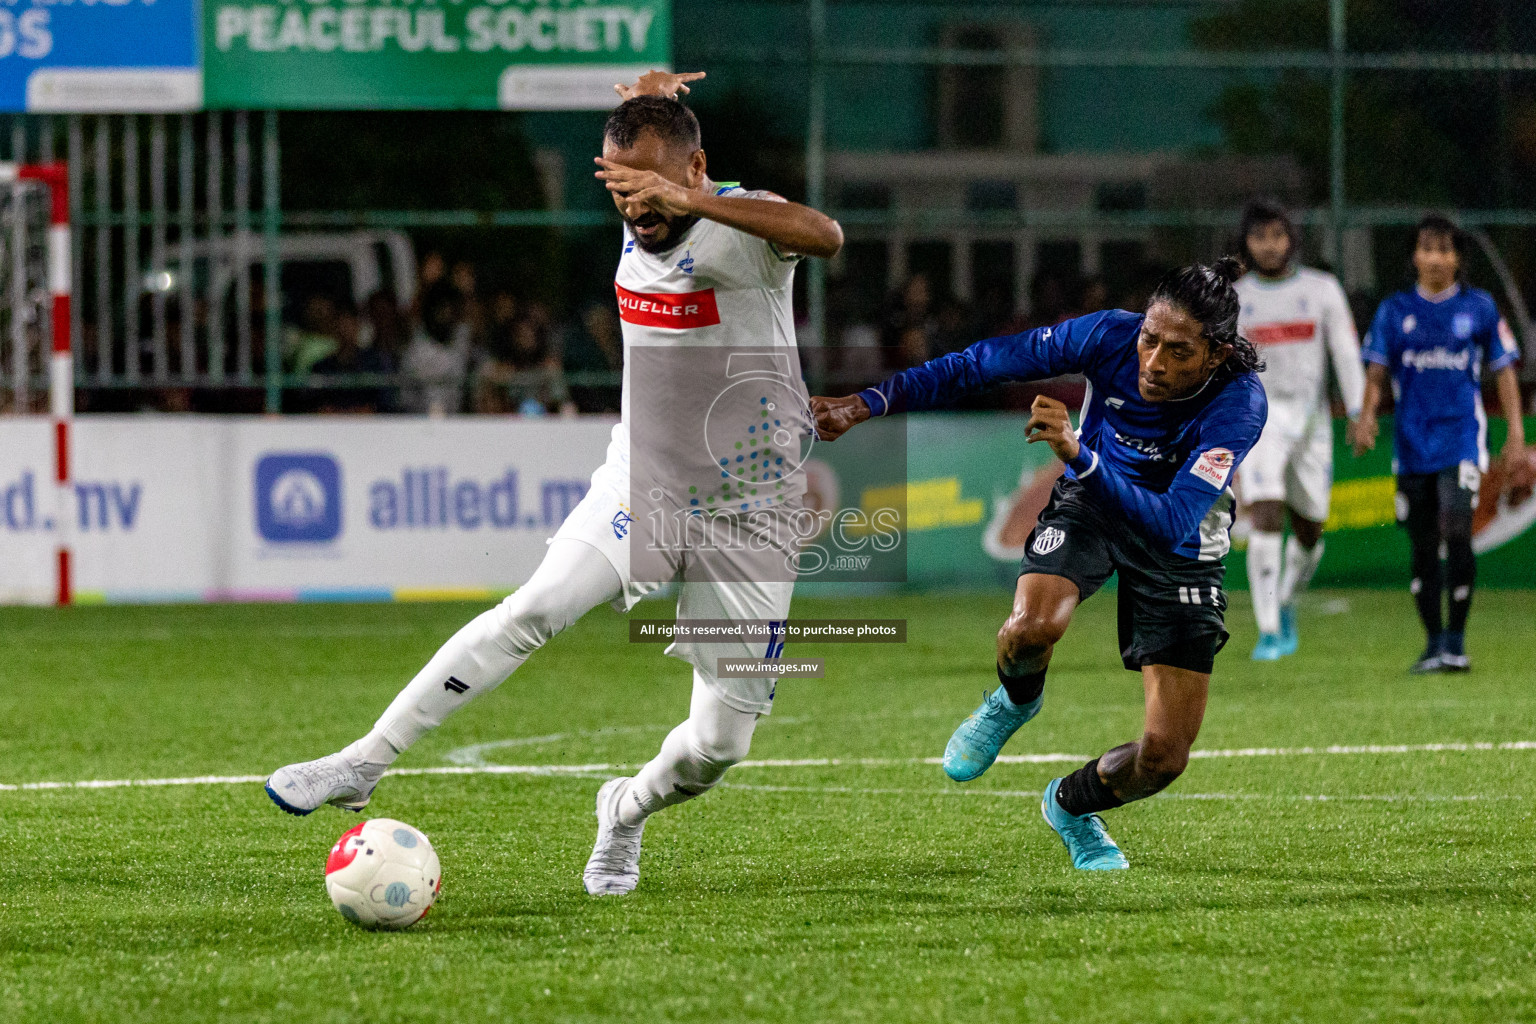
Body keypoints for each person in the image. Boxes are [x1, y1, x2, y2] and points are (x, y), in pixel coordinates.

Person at [264, 70, 844, 896]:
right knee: (533, 608)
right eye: (620, 193)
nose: (636, 214)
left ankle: (626, 811)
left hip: (749, 512)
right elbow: (646, 166)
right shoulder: (641, 216)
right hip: (639, 485)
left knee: (720, 747)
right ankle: (361, 763)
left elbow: (825, 234)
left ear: (695, 168)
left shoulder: (742, 228)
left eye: (650, 193)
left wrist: (690, 196)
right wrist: (649, 144)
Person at [812, 258, 1267, 871]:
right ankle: (1014, 700)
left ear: (1216, 353)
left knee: (1164, 757)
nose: (1153, 362)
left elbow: (1169, 522)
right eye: (1150, 340)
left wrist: (1077, 454)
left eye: (1178, 352)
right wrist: (870, 401)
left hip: (1178, 542)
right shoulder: (1108, 335)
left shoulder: (1239, 404)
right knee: (1029, 630)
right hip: (1093, 505)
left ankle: (1071, 805)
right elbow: (983, 362)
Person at [1354, 215, 1524, 673]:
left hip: (1461, 437)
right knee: (1423, 544)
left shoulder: (1480, 308)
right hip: (1411, 444)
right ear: (1414, 256)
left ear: (1457, 258)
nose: (1435, 258)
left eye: (1444, 250)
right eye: (1427, 249)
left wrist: (1517, 435)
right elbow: (1376, 372)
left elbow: (1505, 369)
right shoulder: (1394, 311)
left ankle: (1457, 640)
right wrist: (1367, 416)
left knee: (1456, 527)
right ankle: (1432, 643)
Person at [1234, 200, 1365, 660]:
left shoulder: (1322, 289)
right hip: (1260, 420)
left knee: (1310, 527)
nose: (1269, 246)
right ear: (1246, 244)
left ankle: (1286, 600)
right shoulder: (1237, 297)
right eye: (1259, 237)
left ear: (1291, 239)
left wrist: (1358, 410)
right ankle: (1268, 630)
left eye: (1277, 235)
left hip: (1311, 423)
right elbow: (1224, 366)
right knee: (1265, 513)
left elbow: (1346, 353)